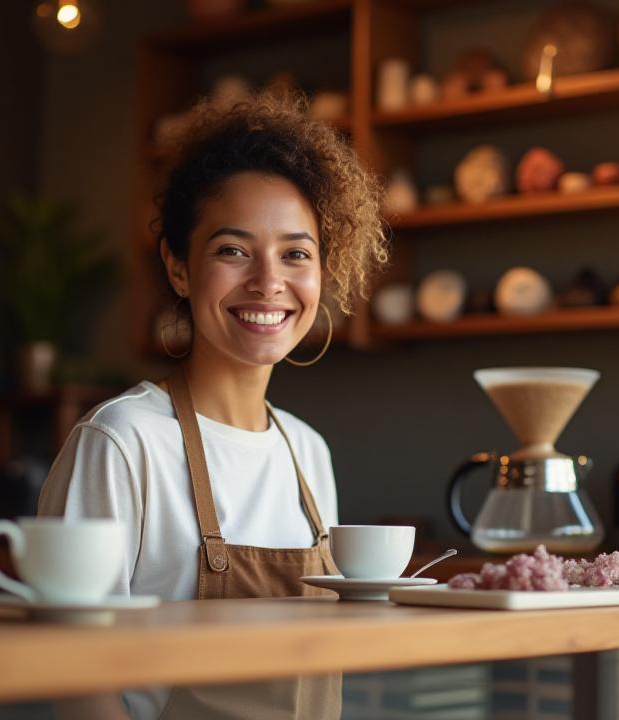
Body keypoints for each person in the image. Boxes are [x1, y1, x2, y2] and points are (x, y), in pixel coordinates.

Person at [37, 94, 388, 720]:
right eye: (233, 250)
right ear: (178, 267)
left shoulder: (307, 451)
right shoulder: (122, 441)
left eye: (296, 253)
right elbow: (73, 679)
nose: (268, 281)